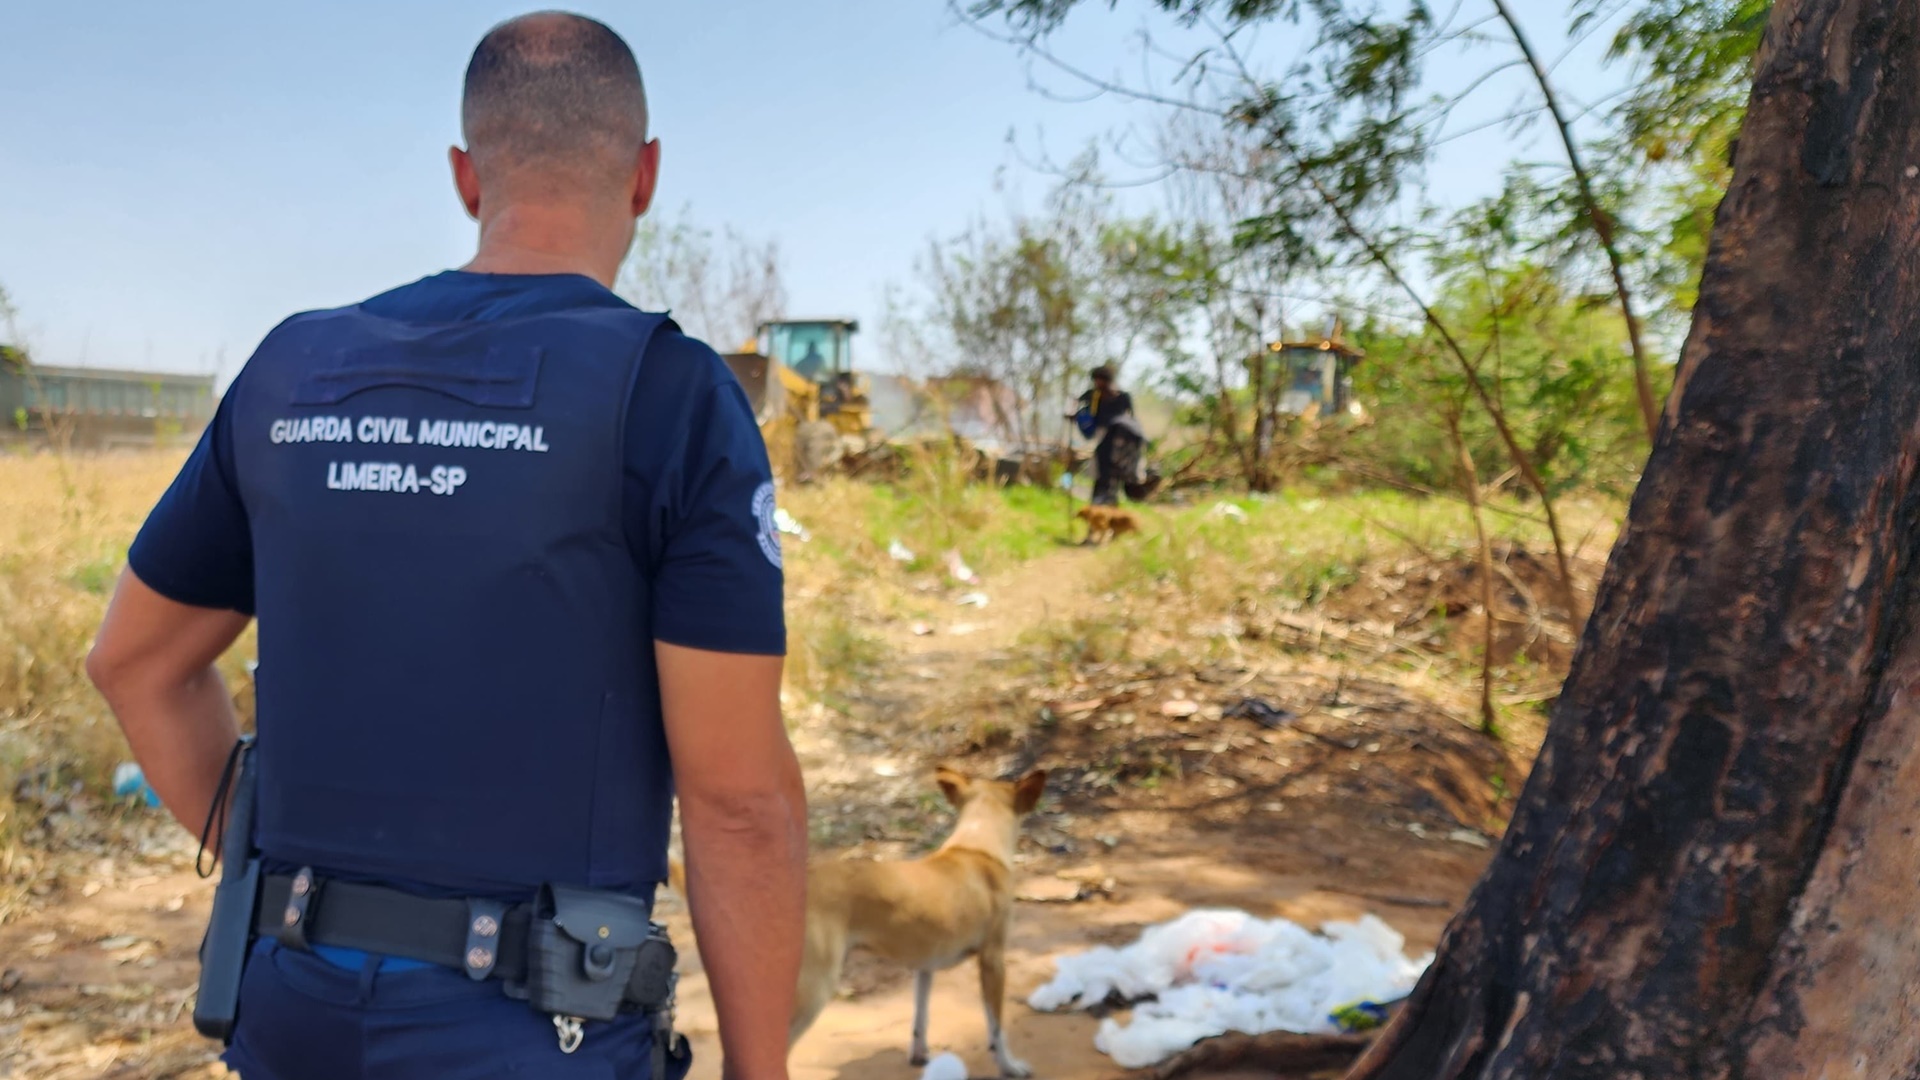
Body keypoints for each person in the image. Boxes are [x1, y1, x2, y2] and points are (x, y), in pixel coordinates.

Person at [84, 13, 807, 1080]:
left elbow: (133, 661)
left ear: (467, 177)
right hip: (535, 1037)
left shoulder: (293, 368)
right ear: (646, 174)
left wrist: (275, 872)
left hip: (289, 1014)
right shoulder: (669, 396)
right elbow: (739, 803)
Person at [1069, 365, 1149, 506]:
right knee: (1103, 469)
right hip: (1103, 436)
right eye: (1096, 381)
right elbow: (1077, 406)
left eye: (1101, 380)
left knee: (1114, 470)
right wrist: (1075, 415)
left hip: (1121, 437)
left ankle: (1109, 501)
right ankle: (1102, 501)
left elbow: (1131, 416)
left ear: (1108, 380)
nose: (1098, 384)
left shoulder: (1123, 397)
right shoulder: (1093, 395)